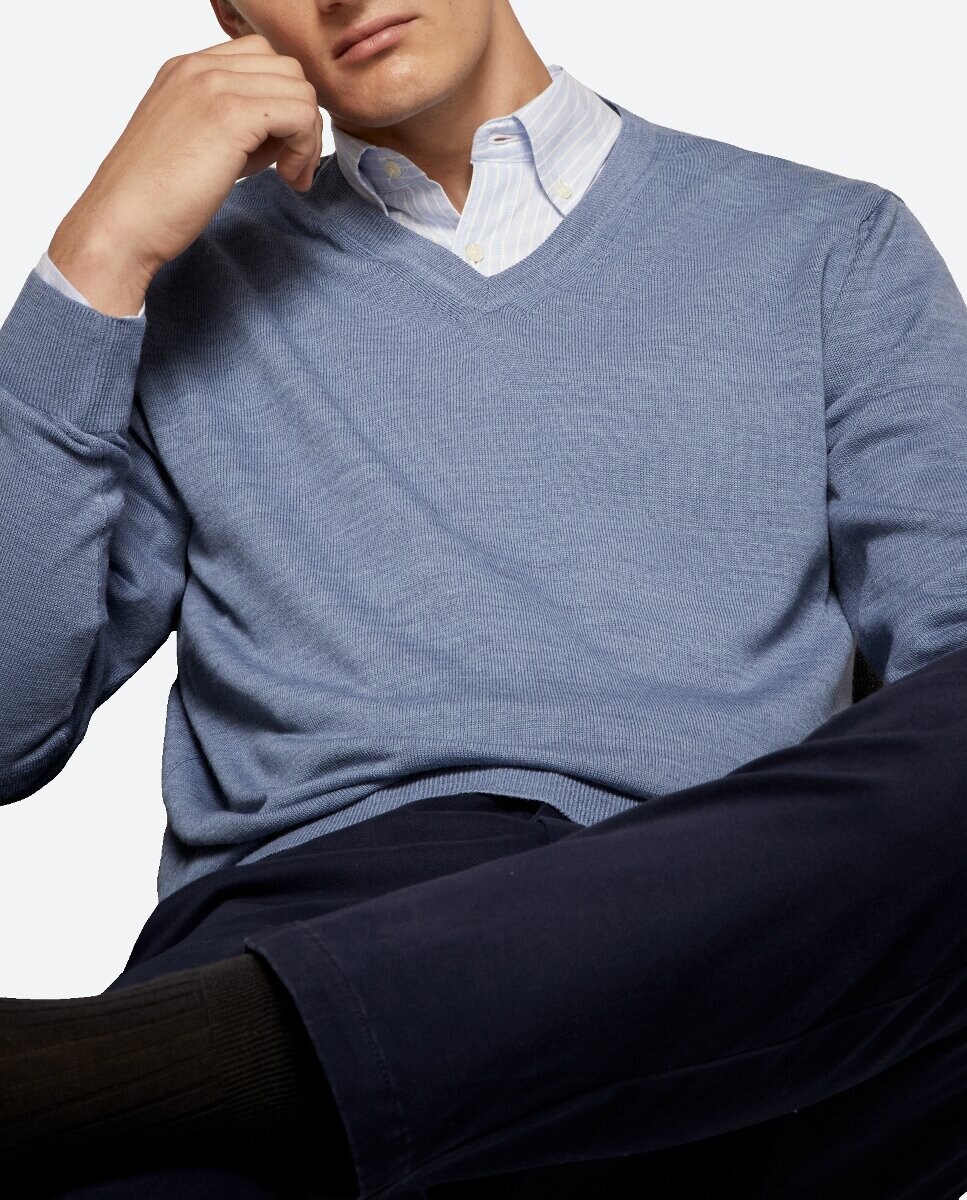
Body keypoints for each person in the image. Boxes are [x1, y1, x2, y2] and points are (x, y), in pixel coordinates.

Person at [1, 0, 966, 1196]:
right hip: (326, 912)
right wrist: (96, 258)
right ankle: (234, 1064)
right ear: (233, 15)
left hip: (737, 969)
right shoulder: (183, 286)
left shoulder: (830, 246)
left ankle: (138, 1072)